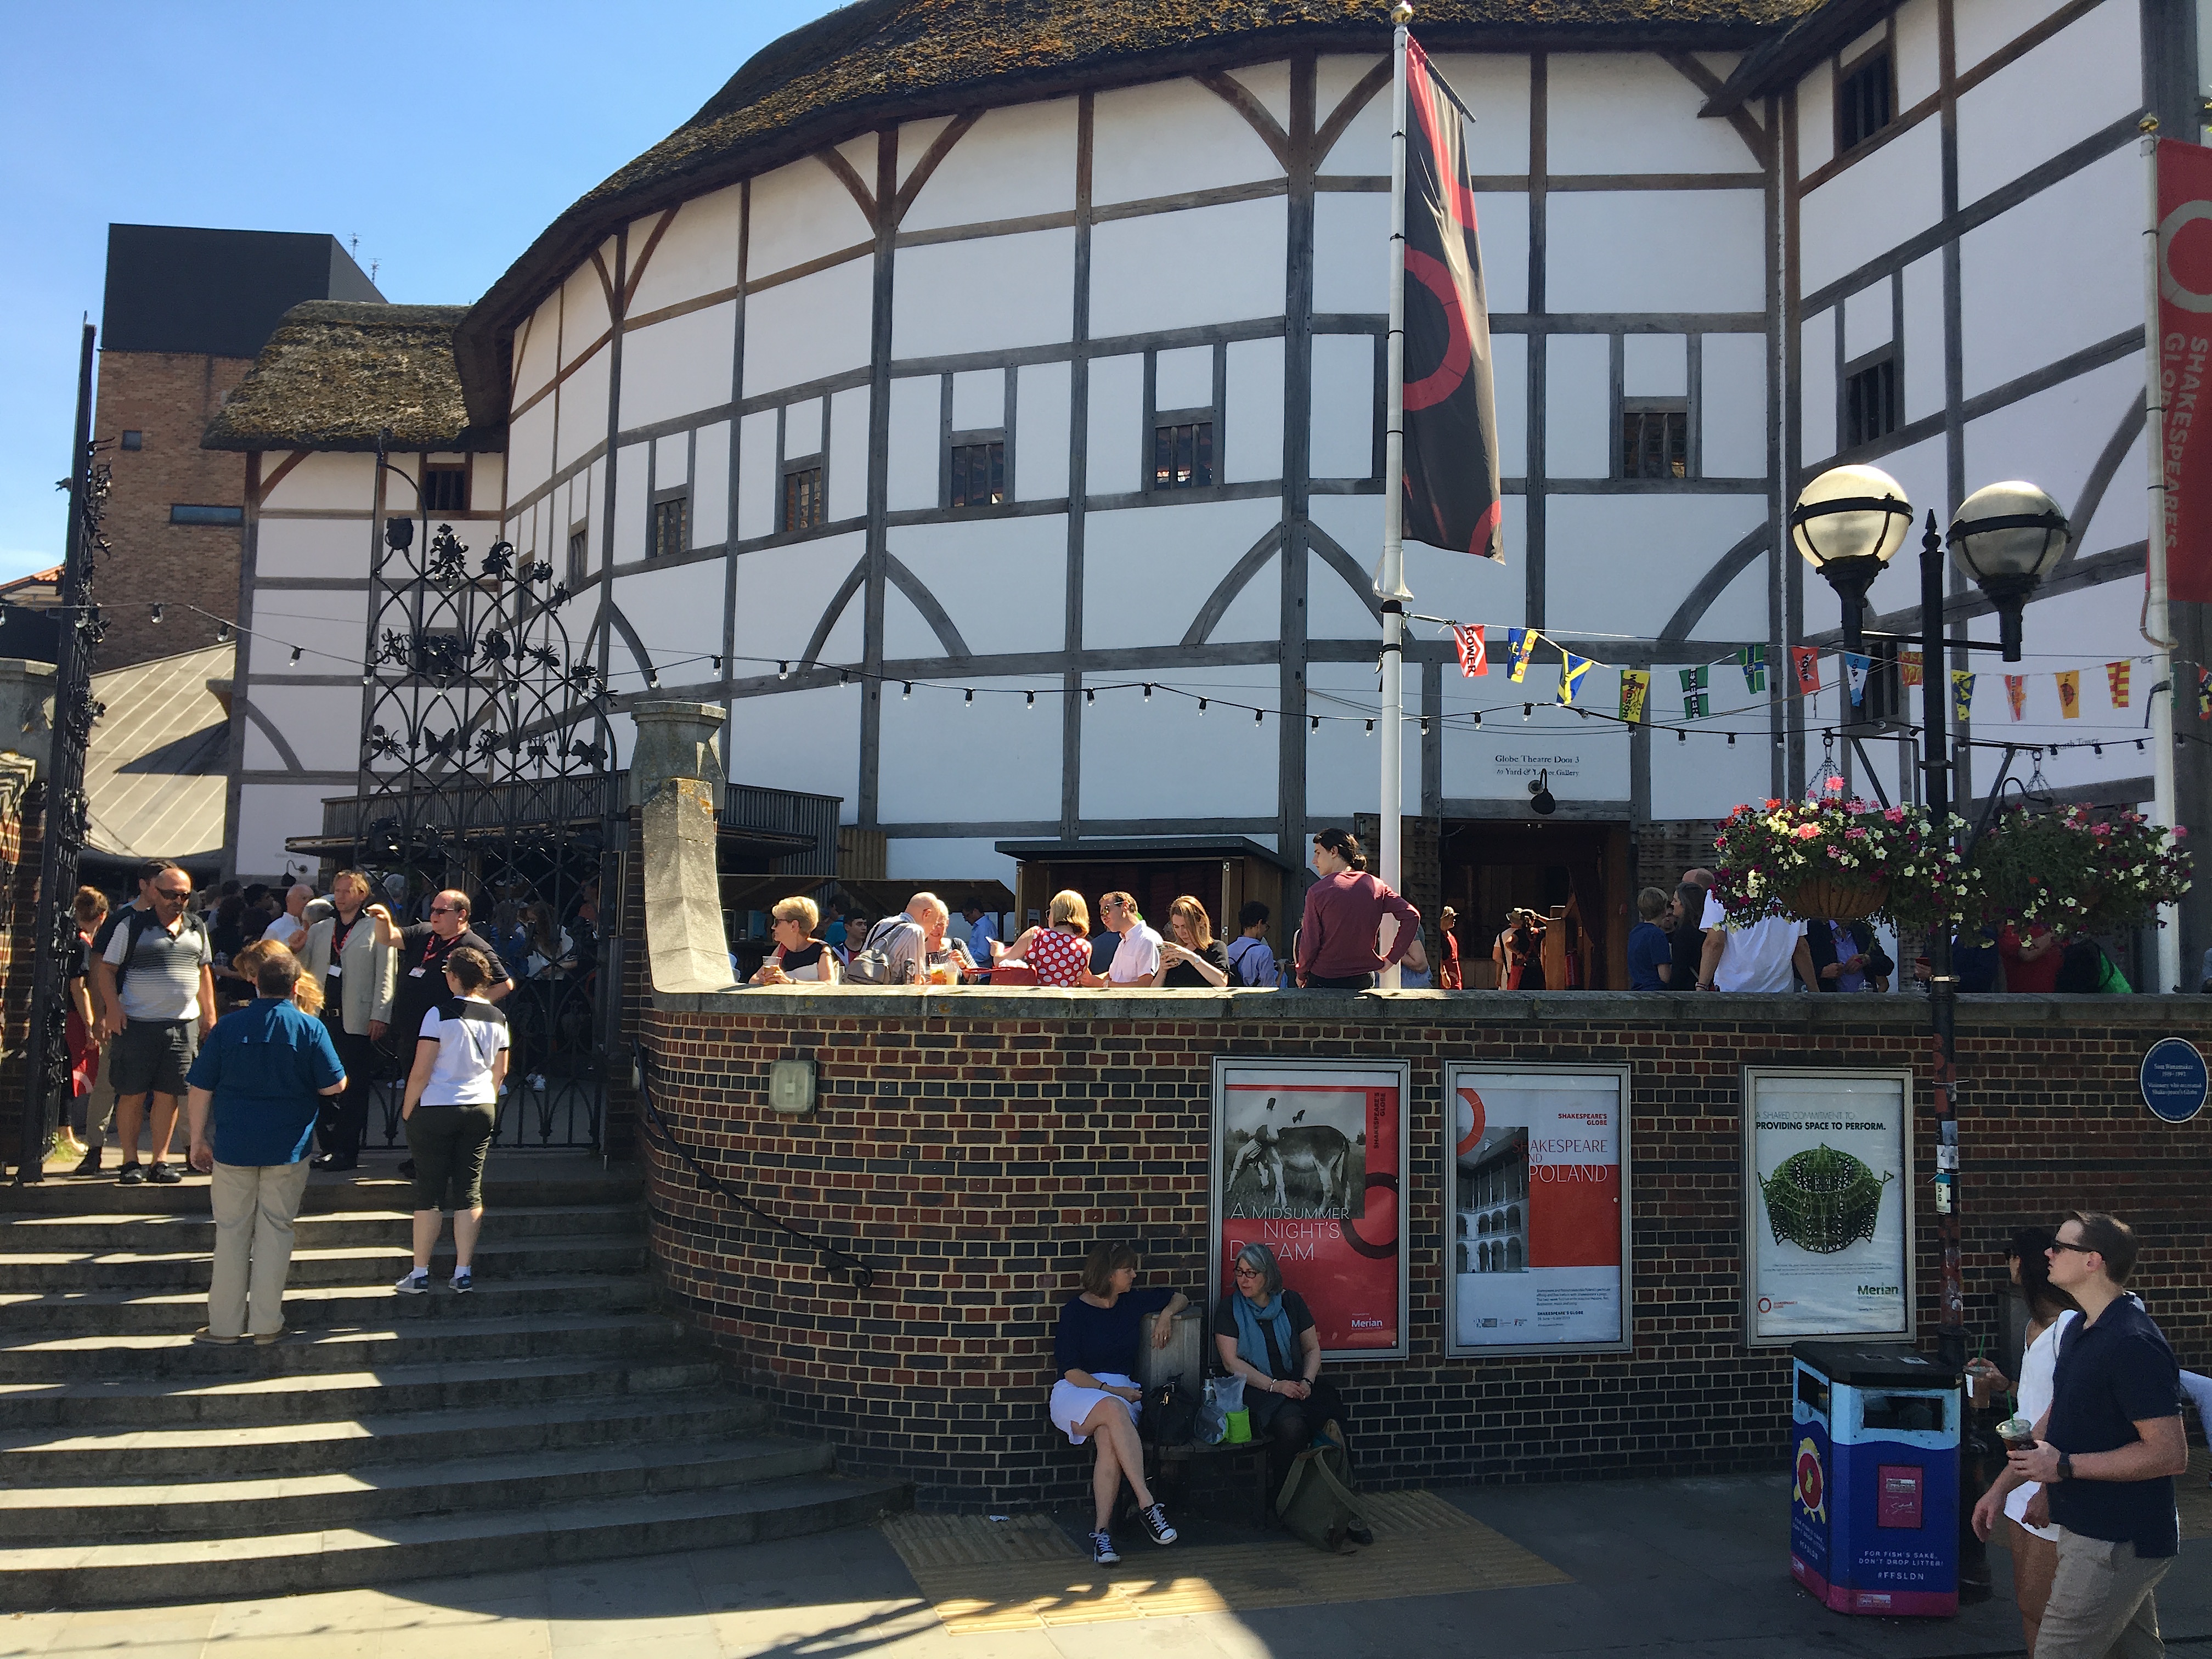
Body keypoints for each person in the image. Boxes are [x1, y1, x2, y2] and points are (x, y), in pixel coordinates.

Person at [1972, 1211, 2188, 1659]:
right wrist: (2000, 1490)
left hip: (2118, 1541)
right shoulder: (2077, 1329)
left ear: (2093, 1261)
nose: (2048, 1254)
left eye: (2060, 1247)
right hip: (2088, 1531)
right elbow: (2054, 1421)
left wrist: (2065, 1467)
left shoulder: (2133, 1343)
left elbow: (2169, 1454)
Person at [183, 945, 347, 1345]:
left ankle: (223, 1325)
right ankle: (266, 1324)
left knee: (232, 1233)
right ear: (295, 987)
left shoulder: (228, 1027)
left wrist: (197, 1138)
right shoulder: (310, 1028)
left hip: (235, 1144)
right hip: (287, 1146)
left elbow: (200, 1085)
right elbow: (334, 1085)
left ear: (255, 983)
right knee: (276, 1232)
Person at [1966, 1226, 2083, 1656]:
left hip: (2049, 1479)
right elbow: (2040, 1400)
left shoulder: (2070, 1327)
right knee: (2028, 1604)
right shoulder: (2035, 1325)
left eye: (2013, 1254)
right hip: (2022, 1474)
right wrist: (2002, 1385)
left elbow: (2074, 1412)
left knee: (2045, 1607)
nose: (2009, 1263)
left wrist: (2047, 1492)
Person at [1213, 1243, 1367, 1539]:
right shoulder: (1229, 1308)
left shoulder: (1291, 1303)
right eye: (1240, 1272)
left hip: (1296, 1383)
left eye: (1251, 1273)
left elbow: (1312, 1349)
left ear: (1268, 1275)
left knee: (1331, 1413)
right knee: (1292, 1425)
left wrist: (1308, 1382)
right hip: (1255, 1388)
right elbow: (1232, 1363)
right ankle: (1284, 1502)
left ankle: (1341, 1501)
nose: (1243, 1280)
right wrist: (1275, 1386)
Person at [1050, 1241, 1186, 1565]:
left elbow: (1180, 1296)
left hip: (1119, 1395)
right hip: (1078, 1390)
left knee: (1109, 1440)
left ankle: (1102, 1535)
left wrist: (1166, 1315)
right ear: (1110, 1274)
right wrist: (1112, 1391)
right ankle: (1147, 1504)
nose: (1134, 1275)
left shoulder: (1131, 1302)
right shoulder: (1075, 1312)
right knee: (1113, 1409)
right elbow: (1070, 1370)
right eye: (1128, 1270)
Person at [396, 947, 510, 1295]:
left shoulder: (439, 1014)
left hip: (436, 1106)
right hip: (480, 1107)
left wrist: (408, 1108)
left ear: (454, 977)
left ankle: (419, 1273)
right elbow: (501, 1071)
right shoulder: (497, 1018)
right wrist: (486, 1097)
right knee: (469, 1188)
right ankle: (463, 1271)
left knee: (429, 1190)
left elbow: (422, 1069)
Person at [95, 859, 217, 1186]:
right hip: (137, 1021)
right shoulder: (132, 925)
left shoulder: (196, 926)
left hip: (181, 1024)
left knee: (170, 1094)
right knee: (132, 1093)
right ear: (154, 893)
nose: (177, 901)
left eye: (184, 895)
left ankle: (160, 1161)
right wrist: (113, 1008)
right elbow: (105, 969)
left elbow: (203, 971)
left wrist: (210, 1014)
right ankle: (130, 1160)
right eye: (170, 894)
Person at [301, 868, 396, 1172]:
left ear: (362, 895)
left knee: (353, 1088)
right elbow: (301, 967)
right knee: (319, 1086)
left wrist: (380, 1014)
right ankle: (328, 1145)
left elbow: (386, 973)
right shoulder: (320, 929)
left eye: (347, 891)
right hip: (321, 1017)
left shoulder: (374, 928)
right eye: (337, 891)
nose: (340, 897)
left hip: (355, 1018)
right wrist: (295, 945)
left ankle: (347, 1150)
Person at [1295, 828, 1418, 989]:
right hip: (1363, 978)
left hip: (1324, 978)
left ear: (1333, 851)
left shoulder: (1317, 891)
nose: (1314, 860)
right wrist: (1391, 959)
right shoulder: (1377, 886)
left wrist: (1301, 974)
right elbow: (1412, 916)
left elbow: (1310, 943)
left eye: (1318, 853)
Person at [60, 886, 108, 1167]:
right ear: (101, 915)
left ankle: (64, 1131)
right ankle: (65, 1132)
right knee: (70, 1071)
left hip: (65, 1012)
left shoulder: (69, 939)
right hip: (75, 1016)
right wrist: (90, 1024)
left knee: (65, 1072)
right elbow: (80, 987)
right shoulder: (82, 945)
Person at [1696, 889, 1816, 993]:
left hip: (1732, 992)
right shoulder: (1793, 895)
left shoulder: (1721, 893)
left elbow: (1715, 943)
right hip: (1781, 994)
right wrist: (1814, 990)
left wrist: (1702, 986)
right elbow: (1800, 947)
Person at [998, 890, 1101, 988]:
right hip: (1065, 1004)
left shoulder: (1036, 935)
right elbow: (1079, 980)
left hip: (1033, 1002)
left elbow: (1001, 962)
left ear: (1056, 913)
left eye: (1050, 912)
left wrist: (997, 950)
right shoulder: (1085, 947)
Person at [751, 895, 843, 984]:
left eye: (777, 922)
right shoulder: (782, 948)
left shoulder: (822, 949)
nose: (773, 927)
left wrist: (790, 982)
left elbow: (829, 984)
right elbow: (753, 980)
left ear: (794, 925)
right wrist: (762, 980)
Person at [1152, 896, 1230, 988]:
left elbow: (1222, 982)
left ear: (1200, 922)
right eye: (1176, 927)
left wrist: (1191, 957)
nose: (1181, 932)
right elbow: (1154, 992)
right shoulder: (1173, 950)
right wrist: (1162, 970)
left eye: (1185, 926)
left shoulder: (1215, 947)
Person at [857, 894, 934, 985]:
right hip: (888, 996)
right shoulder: (915, 931)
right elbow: (915, 982)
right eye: (935, 922)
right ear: (927, 914)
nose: (933, 928)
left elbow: (862, 955)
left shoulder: (881, 923)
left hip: (862, 989)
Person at [1808, 918, 1894, 992]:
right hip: (1830, 1004)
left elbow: (1887, 966)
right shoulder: (1814, 928)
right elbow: (1797, 968)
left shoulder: (1861, 929)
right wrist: (1822, 972)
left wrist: (1867, 959)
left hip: (1865, 1003)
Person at [1098, 891, 1162, 985]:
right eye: (1101, 914)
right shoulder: (1124, 941)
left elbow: (1145, 985)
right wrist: (1087, 979)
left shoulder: (1147, 939)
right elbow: (1113, 976)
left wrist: (1107, 985)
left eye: (1106, 910)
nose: (1104, 917)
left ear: (1125, 906)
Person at [917, 896, 977, 984]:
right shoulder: (918, 950)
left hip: (954, 997)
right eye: (931, 924)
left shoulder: (956, 944)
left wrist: (964, 966)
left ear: (947, 923)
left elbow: (977, 979)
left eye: (940, 924)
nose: (935, 929)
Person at [1627, 888, 1673, 989]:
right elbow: (1665, 976)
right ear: (1664, 911)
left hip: (1638, 990)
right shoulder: (1657, 935)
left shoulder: (1635, 933)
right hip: (1655, 991)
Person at [1999, 919, 2062, 992]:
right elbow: (2026, 955)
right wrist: (2052, 935)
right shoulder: (2012, 927)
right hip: (2017, 998)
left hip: (2053, 997)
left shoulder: (2059, 924)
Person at [1226, 901, 1277, 988]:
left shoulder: (1228, 949)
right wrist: (1281, 972)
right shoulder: (1264, 952)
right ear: (1260, 923)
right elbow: (1269, 988)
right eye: (1266, 926)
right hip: (1256, 1000)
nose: (1266, 930)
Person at [1668, 882, 1708, 992]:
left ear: (1685, 904)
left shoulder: (1683, 934)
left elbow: (1679, 972)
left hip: (1690, 991)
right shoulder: (1709, 929)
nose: (1672, 904)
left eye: (1676, 900)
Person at [1495, 907, 1547, 990]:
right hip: (1538, 968)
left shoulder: (1519, 933)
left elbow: (1509, 944)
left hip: (1523, 969)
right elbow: (1553, 924)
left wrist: (1518, 953)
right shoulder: (1540, 932)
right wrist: (1538, 917)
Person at [961, 900, 1001, 968]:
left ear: (975, 911)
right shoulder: (982, 926)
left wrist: (965, 955)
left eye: (967, 916)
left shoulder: (983, 927)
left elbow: (983, 955)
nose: (966, 920)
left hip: (983, 973)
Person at [1435, 905, 1463, 990]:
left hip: (1455, 972)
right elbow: (1440, 957)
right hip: (1447, 972)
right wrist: (1444, 974)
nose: (1454, 919)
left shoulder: (1451, 935)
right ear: (1444, 919)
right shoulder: (1440, 937)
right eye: (1451, 917)